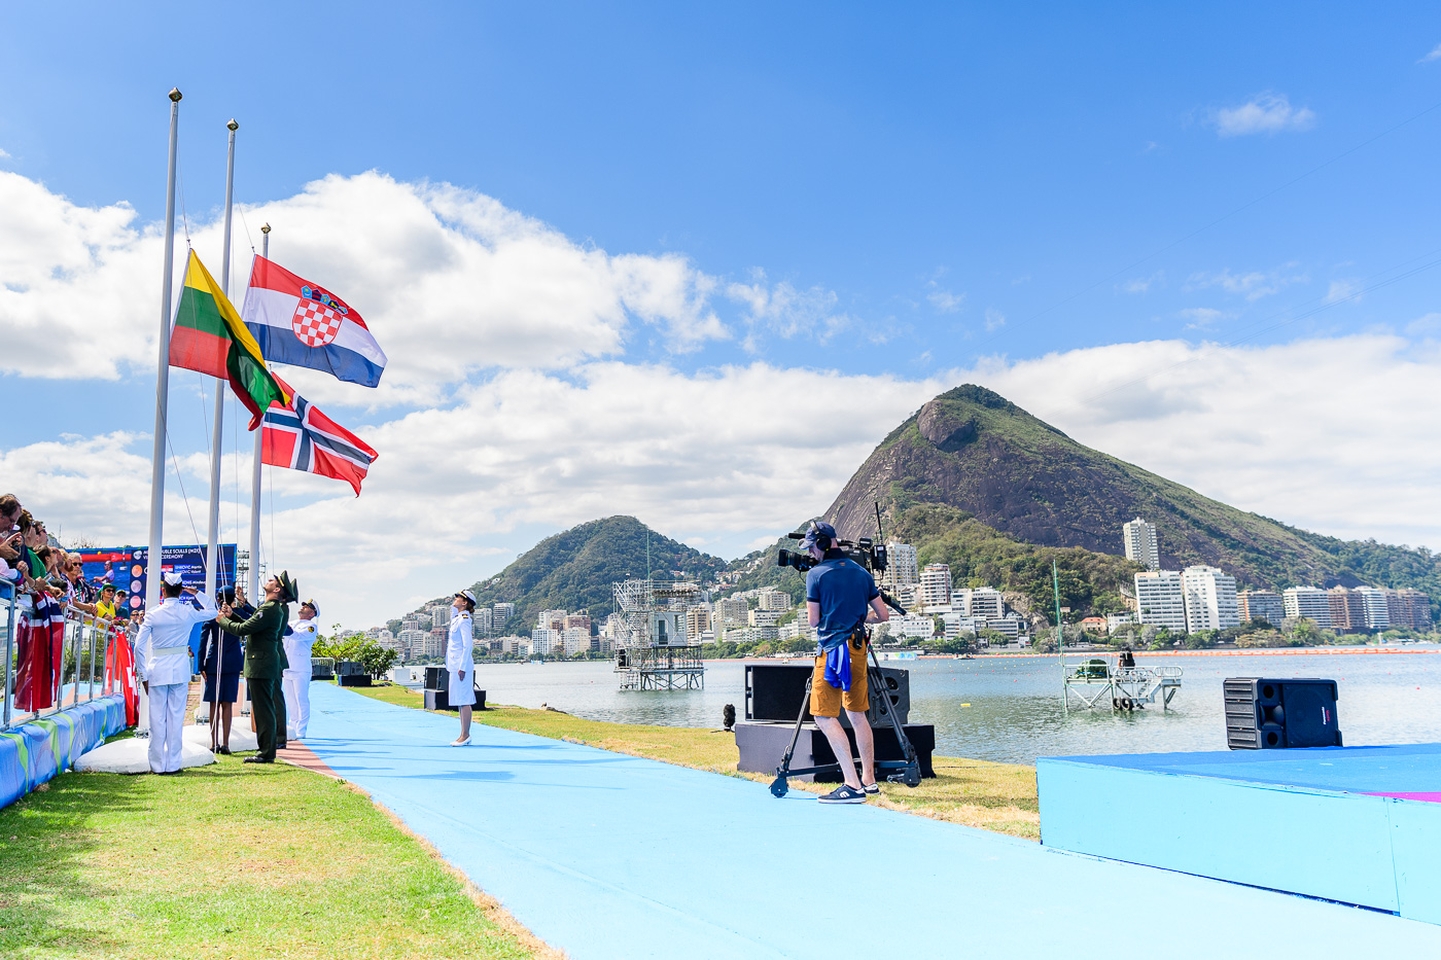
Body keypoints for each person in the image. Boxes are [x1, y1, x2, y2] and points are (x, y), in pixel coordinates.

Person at [803, 521, 890, 804]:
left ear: (823, 545)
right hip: (857, 648)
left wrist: (833, 611)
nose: (812, 553)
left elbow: (814, 620)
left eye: (813, 547)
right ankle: (869, 780)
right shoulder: (862, 573)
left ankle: (851, 785)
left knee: (823, 716)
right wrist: (857, 616)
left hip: (831, 651)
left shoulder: (816, 575)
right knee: (857, 713)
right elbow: (883, 615)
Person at [133, 572, 218, 774]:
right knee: (175, 718)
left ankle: (157, 765)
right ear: (181, 591)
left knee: (156, 719)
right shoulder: (187, 611)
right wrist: (196, 592)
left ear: (163, 590)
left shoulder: (153, 614)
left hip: (157, 670)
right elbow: (213, 610)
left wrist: (143, 675)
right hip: (179, 670)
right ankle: (173, 764)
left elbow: (138, 647)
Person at [217, 571, 295, 764]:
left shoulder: (269, 608)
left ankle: (266, 752)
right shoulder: (271, 608)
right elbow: (250, 626)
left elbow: (243, 630)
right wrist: (232, 615)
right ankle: (267, 749)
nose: (268, 581)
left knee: (264, 709)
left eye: (272, 581)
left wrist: (223, 621)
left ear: (277, 589)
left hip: (261, 663)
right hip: (263, 662)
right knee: (265, 708)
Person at [199, 587, 246, 754]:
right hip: (232, 663)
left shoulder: (213, 615)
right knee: (227, 704)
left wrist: (200, 665)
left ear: (218, 598)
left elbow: (203, 641)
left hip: (214, 663)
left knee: (215, 703)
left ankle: (214, 743)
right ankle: (225, 744)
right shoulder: (238, 616)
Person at [283, 598, 319, 741]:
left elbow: (296, 635)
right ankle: (292, 727)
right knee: (290, 700)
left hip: (300, 668)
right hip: (287, 666)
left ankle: (301, 729)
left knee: (301, 699)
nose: (303, 607)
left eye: (307, 606)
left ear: (312, 613)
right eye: (303, 604)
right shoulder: (291, 623)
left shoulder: (311, 627)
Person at [446, 589, 477, 746]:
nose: (455, 599)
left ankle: (465, 735)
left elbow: (468, 645)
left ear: (464, 602)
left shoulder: (464, 620)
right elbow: (453, 609)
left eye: (458, 597)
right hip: (454, 664)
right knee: (459, 699)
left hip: (461, 665)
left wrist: (463, 667)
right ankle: (463, 734)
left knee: (464, 699)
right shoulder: (457, 618)